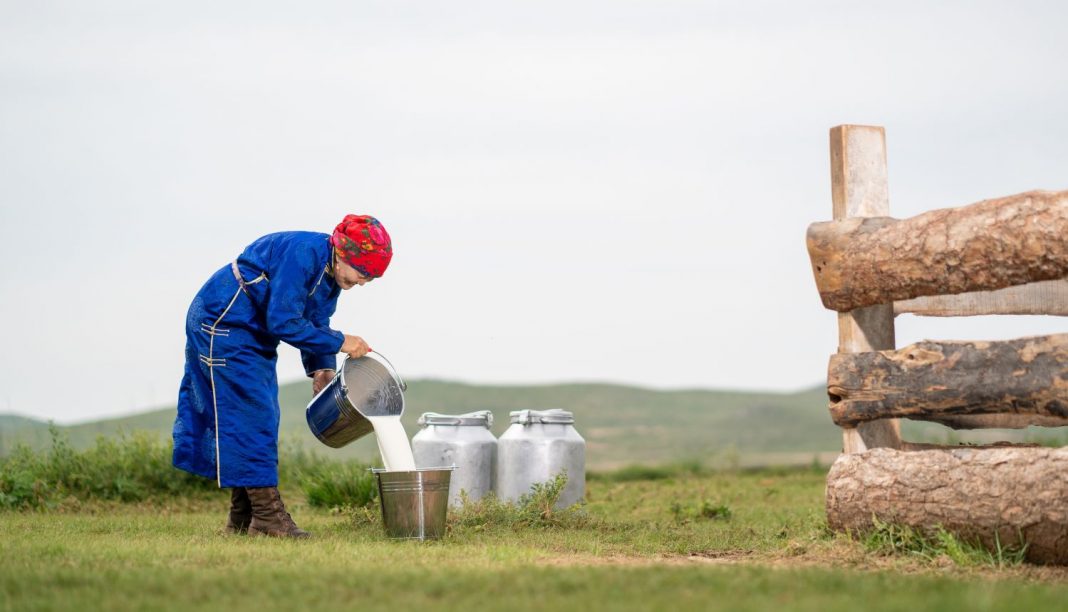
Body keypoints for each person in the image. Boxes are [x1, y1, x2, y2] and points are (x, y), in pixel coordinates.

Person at [172, 214, 392, 538]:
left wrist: (323, 367)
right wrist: (343, 341)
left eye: (370, 278)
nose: (362, 282)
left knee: (253, 416)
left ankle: (243, 518)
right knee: (253, 413)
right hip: (223, 322)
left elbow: (315, 319)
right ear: (345, 253)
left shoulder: (330, 274)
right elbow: (284, 320)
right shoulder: (303, 255)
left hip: (249, 331)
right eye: (363, 272)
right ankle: (268, 518)